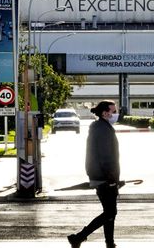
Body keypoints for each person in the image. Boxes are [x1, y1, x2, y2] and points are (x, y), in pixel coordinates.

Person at [68, 100, 120, 248]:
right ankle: (79, 237)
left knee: (110, 213)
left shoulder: (102, 127)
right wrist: (111, 178)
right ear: (105, 113)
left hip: (105, 176)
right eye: (113, 111)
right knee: (110, 212)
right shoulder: (102, 129)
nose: (115, 114)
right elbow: (105, 156)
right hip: (104, 178)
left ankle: (109, 243)